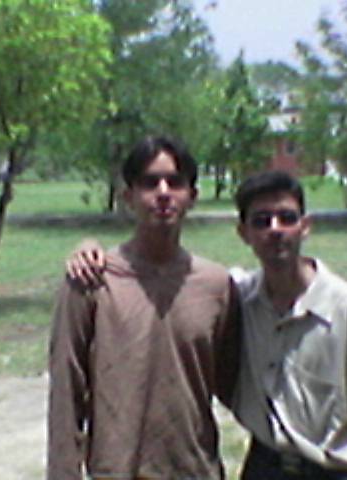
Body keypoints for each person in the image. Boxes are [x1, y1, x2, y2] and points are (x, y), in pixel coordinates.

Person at [67, 170, 347, 480]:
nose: (275, 229)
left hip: (332, 471)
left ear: (305, 226)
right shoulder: (236, 296)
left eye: (287, 218)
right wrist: (92, 251)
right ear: (244, 233)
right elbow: (184, 282)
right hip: (264, 467)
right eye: (262, 221)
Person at [47, 135, 239, 480]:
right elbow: (65, 392)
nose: (163, 193)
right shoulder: (91, 281)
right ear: (129, 197)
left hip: (195, 470)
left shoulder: (216, 286)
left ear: (192, 196)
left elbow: (237, 385)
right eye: (150, 183)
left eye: (175, 182)